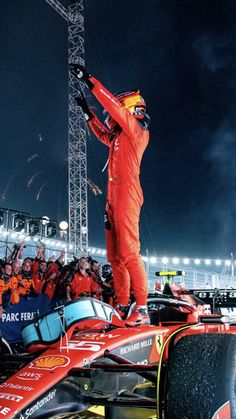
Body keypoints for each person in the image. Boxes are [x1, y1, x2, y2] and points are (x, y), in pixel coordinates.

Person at [71, 63, 150, 326]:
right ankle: (124, 304)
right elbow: (104, 134)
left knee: (129, 252)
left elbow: (114, 108)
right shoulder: (118, 137)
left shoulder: (137, 132)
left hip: (127, 195)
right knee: (114, 256)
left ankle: (142, 308)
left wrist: (89, 80)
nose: (112, 115)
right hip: (113, 199)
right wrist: (87, 113)